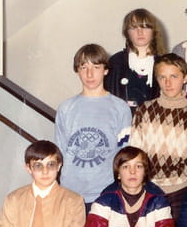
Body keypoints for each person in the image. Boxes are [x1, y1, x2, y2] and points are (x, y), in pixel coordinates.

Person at [130, 53, 187, 220]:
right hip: (148, 190)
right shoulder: (144, 110)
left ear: (185, 78)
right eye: (162, 77)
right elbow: (134, 154)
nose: (168, 83)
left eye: (174, 76)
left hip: (181, 193)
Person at [55, 43, 131, 208]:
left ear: (105, 70)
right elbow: (60, 152)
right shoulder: (65, 108)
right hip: (71, 193)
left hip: (107, 193)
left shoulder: (120, 108)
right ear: (77, 70)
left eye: (96, 67)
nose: (90, 74)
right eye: (84, 67)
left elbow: (124, 153)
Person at [105, 8, 166, 113]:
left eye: (145, 27)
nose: (140, 32)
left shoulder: (164, 64)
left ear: (153, 31)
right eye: (134, 27)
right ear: (127, 33)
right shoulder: (115, 62)